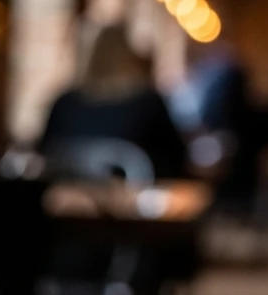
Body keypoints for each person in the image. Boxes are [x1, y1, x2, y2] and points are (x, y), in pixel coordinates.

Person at [37, 22, 189, 180]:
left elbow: (44, 152)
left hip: (66, 192)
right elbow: (177, 157)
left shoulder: (64, 104)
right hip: (131, 194)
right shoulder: (147, 104)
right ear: (130, 56)